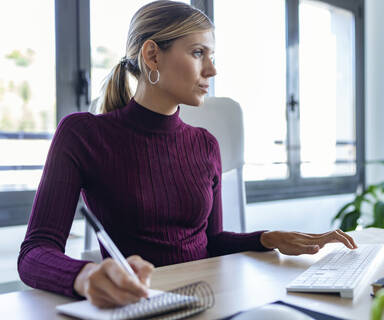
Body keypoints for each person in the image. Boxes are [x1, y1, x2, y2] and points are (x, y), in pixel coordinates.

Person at [18, 0, 357, 309]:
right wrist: (87, 276)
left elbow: (210, 241)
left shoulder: (205, 144)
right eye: (198, 53)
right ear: (152, 56)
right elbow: (35, 252)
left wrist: (269, 238)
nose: (211, 70)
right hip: (142, 308)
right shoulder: (83, 134)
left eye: (211, 57)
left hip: (210, 301)